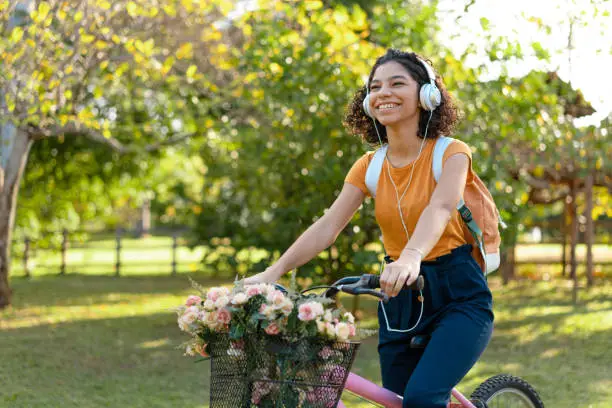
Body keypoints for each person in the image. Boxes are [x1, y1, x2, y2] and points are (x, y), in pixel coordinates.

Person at [245, 49, 494, 408]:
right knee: (395, 400)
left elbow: (441, 207)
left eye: (397, 83)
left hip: (457, 291)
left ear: (427, 95)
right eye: (375, 87)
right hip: (398, 297)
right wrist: (274, 272)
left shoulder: (451, 153)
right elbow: (328, 226)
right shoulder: (368, 166)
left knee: (422, 399)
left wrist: (410, 257)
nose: (383, 92)